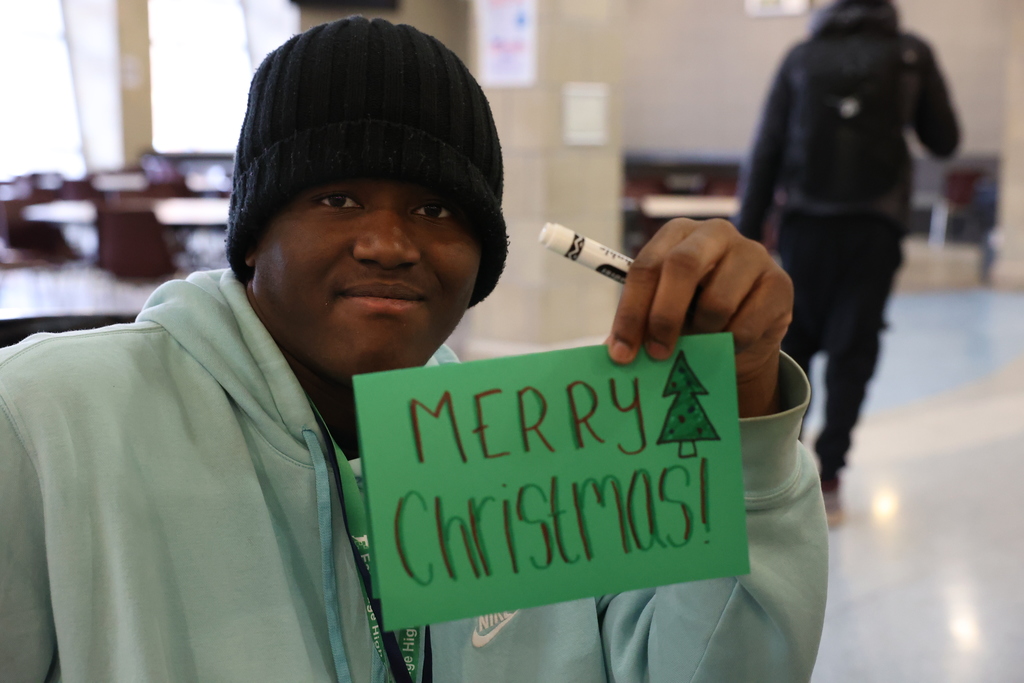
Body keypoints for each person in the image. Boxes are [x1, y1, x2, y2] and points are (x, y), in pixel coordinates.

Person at [0, 17, 827, 682]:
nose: (389, 243)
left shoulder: (522, 456)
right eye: (338, 196)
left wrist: (746, 399)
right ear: (252, 237)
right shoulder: (50, 420)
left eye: (436, 209)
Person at [736, 0, 959, 525]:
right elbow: (945, 139)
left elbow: (766, 147)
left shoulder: (801, 57)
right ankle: (831, 475)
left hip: (805, 227)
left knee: (793, 343)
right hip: (874, 228)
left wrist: (746, 237)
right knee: (853, 351)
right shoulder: (911, 54)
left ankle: (778, 471)